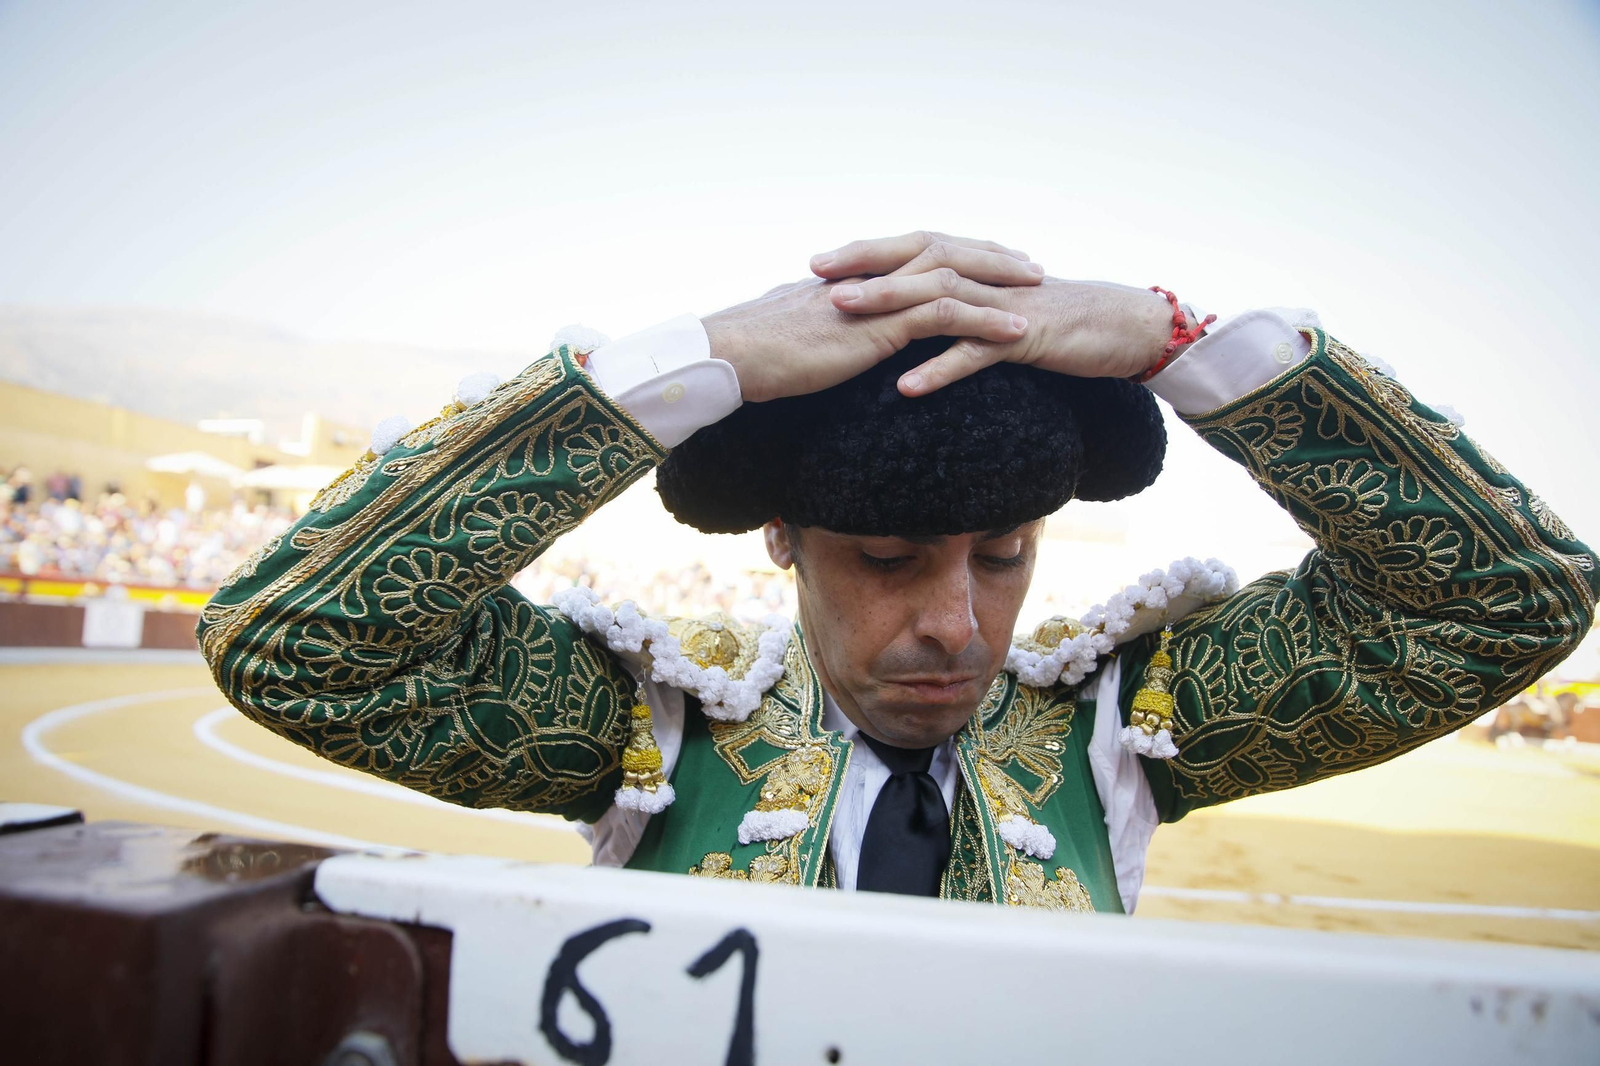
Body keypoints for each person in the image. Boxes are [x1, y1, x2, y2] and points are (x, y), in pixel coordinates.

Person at [198, 232, 1596, 912]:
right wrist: (681, 373)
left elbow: (1509, 593)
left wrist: (1182, 339)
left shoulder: (1122, 718)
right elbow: (286, 640)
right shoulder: (659, 720)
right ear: (784, 537)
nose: (955, 623)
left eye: (1005, 557)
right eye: (887, 558)